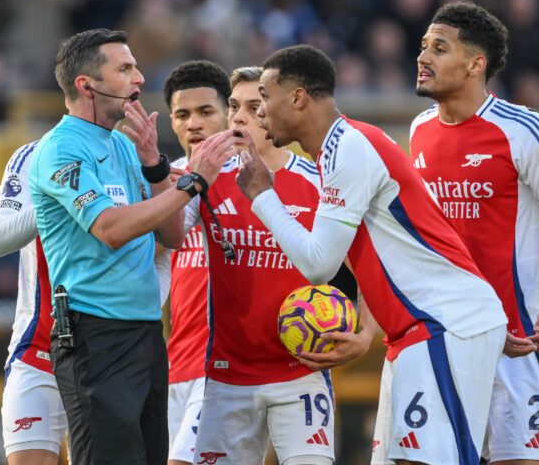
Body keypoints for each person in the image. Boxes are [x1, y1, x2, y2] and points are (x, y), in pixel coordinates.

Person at [235, 44, 508, 465]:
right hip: (418, 331)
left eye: (264, 99)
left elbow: (318, 264)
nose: (260, 114)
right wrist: (366, 329)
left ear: (298, 98)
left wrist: (263, 196)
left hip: (444, 323)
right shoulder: (340, 148)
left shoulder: (350, 149)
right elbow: (382, 256)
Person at [27, 28, 237, 465]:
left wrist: (157, 168)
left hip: (144, 331)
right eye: (124, 69)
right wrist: (193, 182)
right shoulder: (61, 149)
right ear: (87, 85)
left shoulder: (123, 144)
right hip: (95, 333)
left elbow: (173, 236)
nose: (139, 78)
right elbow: (109, 228)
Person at [409, 2, 539, 465]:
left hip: (518, 345)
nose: (422, 57)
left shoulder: (525, 129)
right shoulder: (418, 131)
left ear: (476, 64)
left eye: (439, 47)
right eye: (423, 46)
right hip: (445, 339)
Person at [175, 64, 357, 465]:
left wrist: (365, 334)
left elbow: (374, 264)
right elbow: (167, 237)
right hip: (225, 375)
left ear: (274, 112)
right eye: (234, 106)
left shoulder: (319, 182)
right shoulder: (205, 179)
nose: (238, 116)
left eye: (253, 106)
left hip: (300, 370)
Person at [157, 60, 230, 465]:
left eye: (206, 112)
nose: (194, 124)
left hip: (225, 368)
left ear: (228, 114)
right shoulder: (164, 182)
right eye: (183, 115)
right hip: (176, 363)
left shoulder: (254, 181)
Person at [0, 141, 66, 465]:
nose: (138, 85)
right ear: (83, 86)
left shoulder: (131, 156)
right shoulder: (36, 155)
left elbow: (162, 247)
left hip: (105, 354)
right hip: (39, 350)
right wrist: (59, 200)